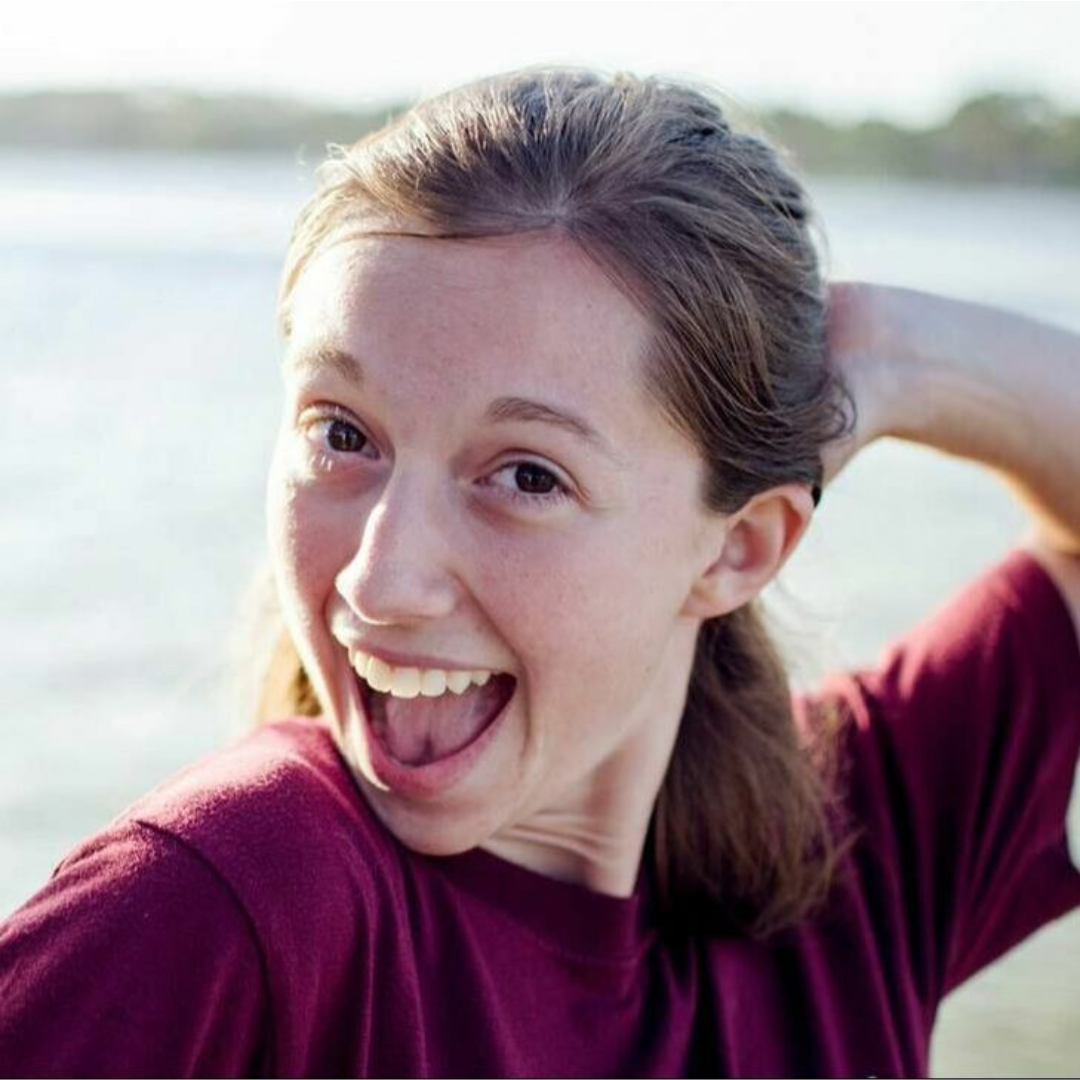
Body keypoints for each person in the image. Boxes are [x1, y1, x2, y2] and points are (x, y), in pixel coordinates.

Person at [1, 67, 1078, 1078]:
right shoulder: (230, 900)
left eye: (524, 474)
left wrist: (888, 353)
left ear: (738, 546)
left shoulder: (855, 853)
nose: (379, 584)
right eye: (342, 434)